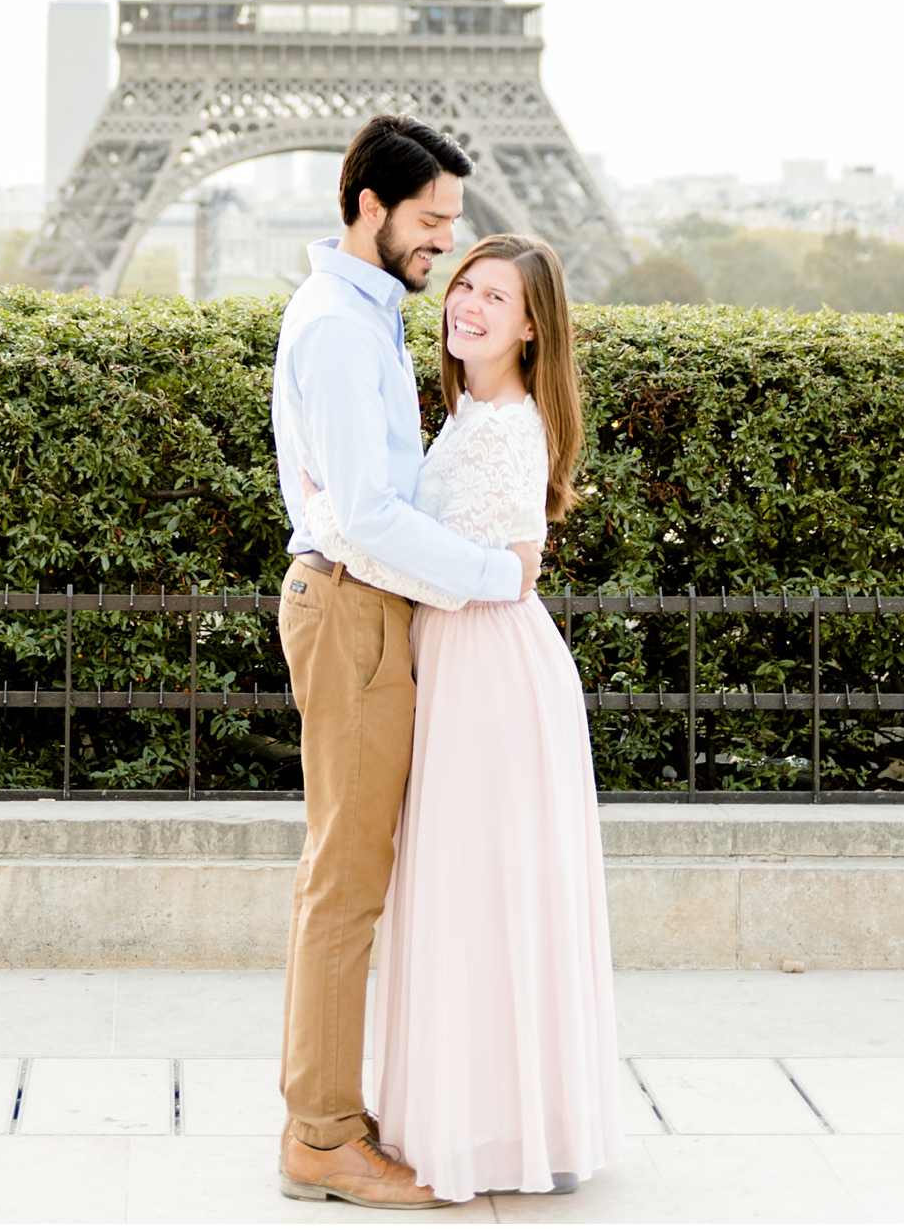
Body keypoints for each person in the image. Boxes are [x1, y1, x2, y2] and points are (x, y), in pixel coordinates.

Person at [271, 115, 543, 1212]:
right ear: (370, 207)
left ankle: (329, 1108)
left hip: (365, 605)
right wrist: (493, 572)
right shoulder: (341, 327)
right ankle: (323, 1134)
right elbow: (371, 512)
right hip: (354, 608)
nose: (445, 244)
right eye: (430, 221)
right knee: (347, 881)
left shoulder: (365, 313)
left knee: (352, 873)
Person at [359, 235, 622, 1204]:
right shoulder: (472, 414)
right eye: (462, 284)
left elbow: (514, 564)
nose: (466, 303)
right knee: (477, 892)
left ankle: (484, 1126)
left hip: (488, 664)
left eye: (494, 294)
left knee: (477, 891)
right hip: (473, 657)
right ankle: (491, 1117)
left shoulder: (508, 424)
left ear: (531, 325)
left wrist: (352, 535)